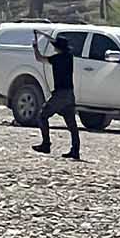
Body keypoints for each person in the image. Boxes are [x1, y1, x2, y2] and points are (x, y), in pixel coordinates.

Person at [31, 31, 81, 160]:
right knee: (72, 124)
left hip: (60, 94)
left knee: (42, 116)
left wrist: (35, 47)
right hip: (70, 94)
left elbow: (39, 58)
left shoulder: (57, 58)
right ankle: (75, 150)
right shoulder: (69, 57)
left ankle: (46, 144)